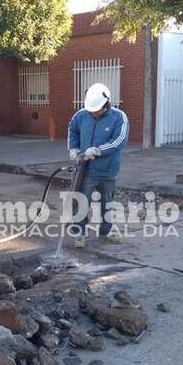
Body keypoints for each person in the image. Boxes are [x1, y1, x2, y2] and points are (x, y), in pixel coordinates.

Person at [68, 83, 129, 248]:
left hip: (108, 170)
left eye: (97, 110)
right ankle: (80, 234)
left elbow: (119, 141)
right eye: (91, 110)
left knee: (107, 204)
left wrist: (98, 150)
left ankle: (105, 233)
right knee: (82, 202)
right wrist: (73, 148)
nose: (93, 113)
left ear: (106, 104)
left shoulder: (119, 117)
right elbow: (73, 130)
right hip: (86, 170)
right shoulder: (81, 115)